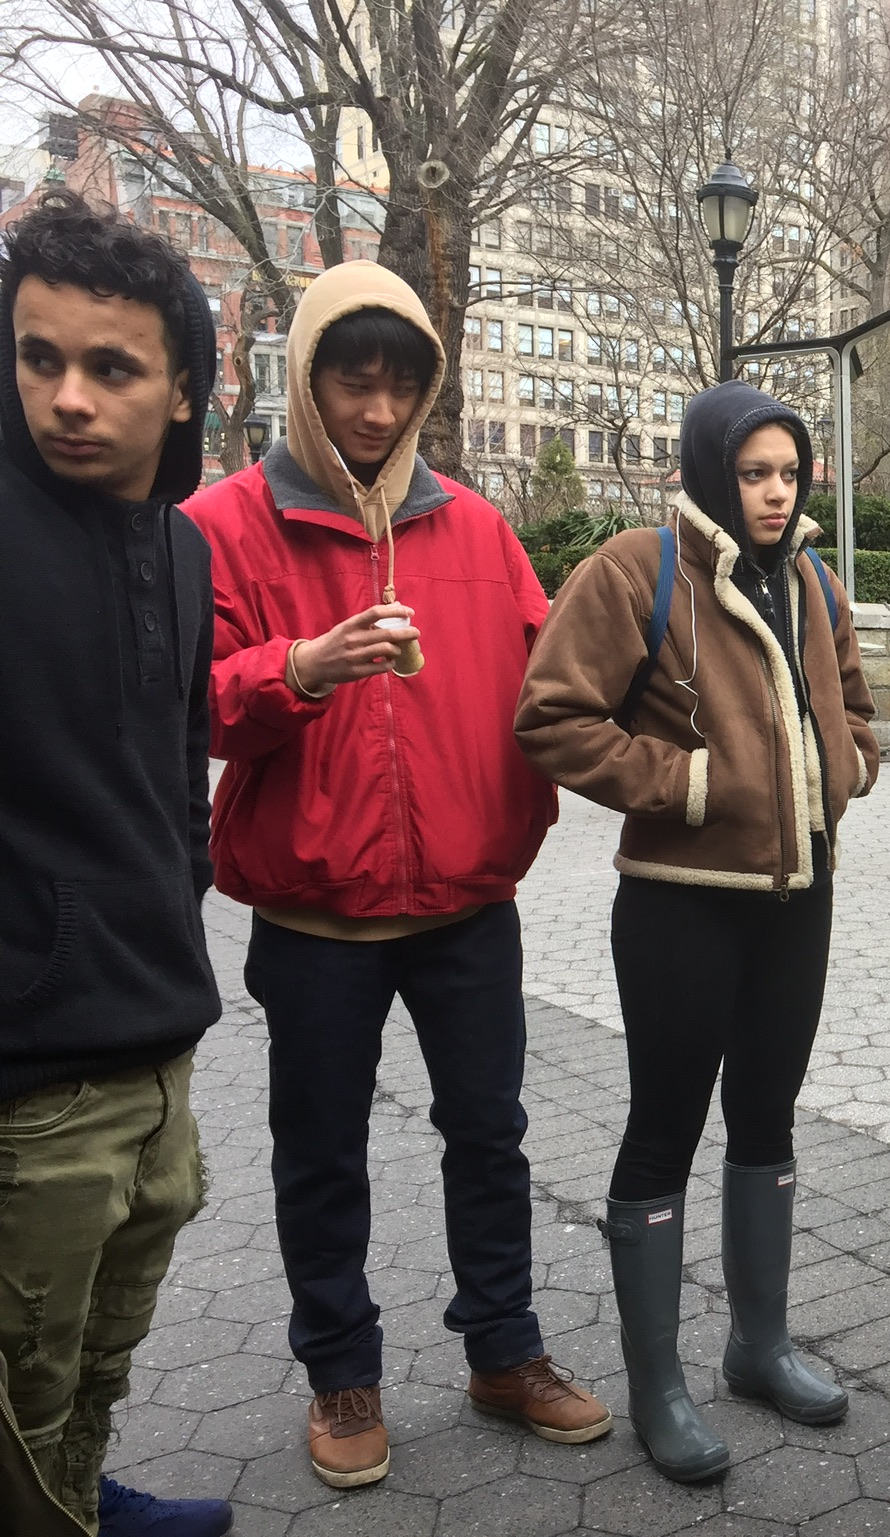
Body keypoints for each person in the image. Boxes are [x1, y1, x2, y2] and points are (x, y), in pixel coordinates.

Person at [183, 261, 605, 1491]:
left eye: (399, 385)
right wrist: (300, 668)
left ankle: (504, 1348)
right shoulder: (221, 527)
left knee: (491, 1133)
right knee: (320, 1147)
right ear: (308, 381)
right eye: (351, 381)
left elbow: (553, 682)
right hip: (314, 914)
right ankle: (341, 1371)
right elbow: (188, 706)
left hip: (470, 905)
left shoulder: (473, 527)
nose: (375, 410)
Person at [516, 380, 879, 1483]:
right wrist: (689, 780)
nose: (775, 492)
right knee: (665, 1125)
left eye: (789, 472)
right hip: (680, 900)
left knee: (766, 1116)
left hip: (796, 899)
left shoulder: (814, 578)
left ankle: (758, 1346)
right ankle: (658, 1387)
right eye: (755, 473)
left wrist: (845, 768)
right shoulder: (638, 567)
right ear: (712, 469)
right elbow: (552, 715)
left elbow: (853, 705)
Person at [0, 189, 234, 1537]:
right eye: (39, 359)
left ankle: (87, 1500)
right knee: (18, 1403)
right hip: (32, 1087)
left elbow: (180, 776)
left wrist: (171, 907)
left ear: (186, 390)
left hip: (160, 1047)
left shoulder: (184, 550)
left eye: (111, 367)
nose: (68, 399)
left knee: (98, 1360)